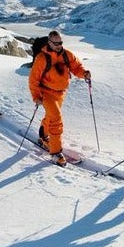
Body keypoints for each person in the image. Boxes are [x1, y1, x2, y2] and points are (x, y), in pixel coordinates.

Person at [28, 30, 90, 166]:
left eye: (60, 42)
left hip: (61, 93)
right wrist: (36, 96)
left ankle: (43, 134)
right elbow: (33, 79)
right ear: (49, 42)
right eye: (55, 43)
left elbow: (76, 67)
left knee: (51, 116)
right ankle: (55, 153)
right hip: (46, 93)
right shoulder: (42, 58)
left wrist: (84, 73)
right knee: (56, 118)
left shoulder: (67, 55)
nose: (58, 45)